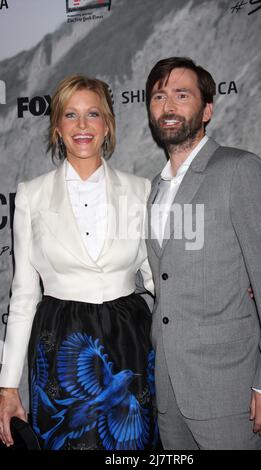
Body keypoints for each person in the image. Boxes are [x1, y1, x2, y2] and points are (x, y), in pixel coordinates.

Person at [145, 57, 261, 450]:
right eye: (159, 96)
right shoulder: (155, 189)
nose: (169, 106)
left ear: (207, 109)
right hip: (170, 390)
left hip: (231, 389)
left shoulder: (239, 170)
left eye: (182, 95)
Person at [0, 75, 158, 450]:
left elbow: (159, 279)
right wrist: (7, 387)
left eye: (93, 114)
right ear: (57, 128)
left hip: (128, 339)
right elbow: (23, 296)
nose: (83, 125)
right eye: (71, 115)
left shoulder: (141, 191)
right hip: (61, 341)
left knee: (132, 445)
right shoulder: (31, 195)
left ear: (108, 126)